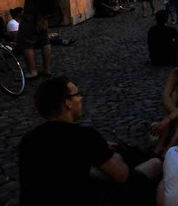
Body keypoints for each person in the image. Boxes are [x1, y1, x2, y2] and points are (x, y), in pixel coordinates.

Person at [19, 76, 162, 206]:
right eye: (77, 94)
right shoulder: (84, 137)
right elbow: (122, 175)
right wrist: (114, 156)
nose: (80, 98)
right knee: (155, 164)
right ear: (68, 103)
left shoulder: (28, 140)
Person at [10, 0, 52, 79]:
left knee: (26, 43)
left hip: (32, 16)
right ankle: (46, 70)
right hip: (41, 15)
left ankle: (32, 71)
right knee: (44, 41)